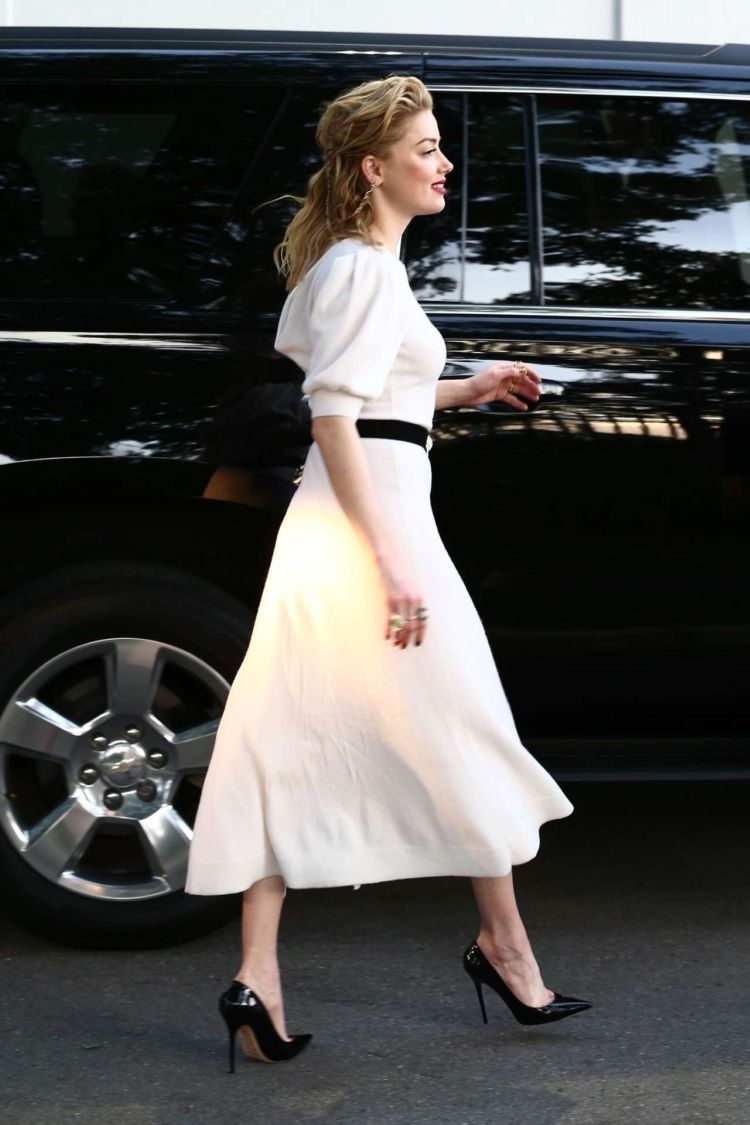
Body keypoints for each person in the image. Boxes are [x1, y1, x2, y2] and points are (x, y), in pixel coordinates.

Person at [185, 74, 592, 1072]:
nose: (444, 162)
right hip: (373, 532)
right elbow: (331, 417)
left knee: (291, 734)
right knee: (460, 727)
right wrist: (390, 564)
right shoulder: (364, 271)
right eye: (426, 147)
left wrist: (465, 387)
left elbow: (374, 405)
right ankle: (505, 951)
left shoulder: (346, 267)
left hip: (340, 521)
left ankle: (257, 977)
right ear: (376, 167)